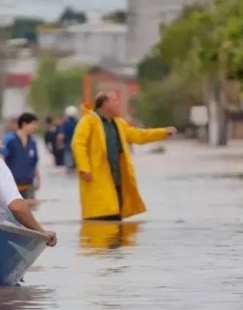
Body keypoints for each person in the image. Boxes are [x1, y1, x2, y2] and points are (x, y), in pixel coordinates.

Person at [71, 91, 177, 221]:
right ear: (105, 104)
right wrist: (84, 168)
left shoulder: (119, 123)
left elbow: (139, 135)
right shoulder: (88, 121)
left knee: (115, 221)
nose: (118, 103)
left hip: (117, 181)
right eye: (115, 100)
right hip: (97, 180)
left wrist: (163, 132)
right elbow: (78, 144)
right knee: (99, 225)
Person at [1, 112, 40, 202]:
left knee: (30, 212)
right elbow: (1, 159)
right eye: (33, 124)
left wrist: (38, 178)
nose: (35, 127)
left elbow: (35, 162)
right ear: (24, 124)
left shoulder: (33, 142)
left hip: (29, 185)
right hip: (12, 186)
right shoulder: (9, 140)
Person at [62, 106, 79, 172]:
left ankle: (69, 166)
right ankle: (74, 166)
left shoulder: (65, 123)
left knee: (68, 154)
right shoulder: (77, 122)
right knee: (75, 154)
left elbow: (62, 134)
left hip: (67, 142)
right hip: (75, 142)